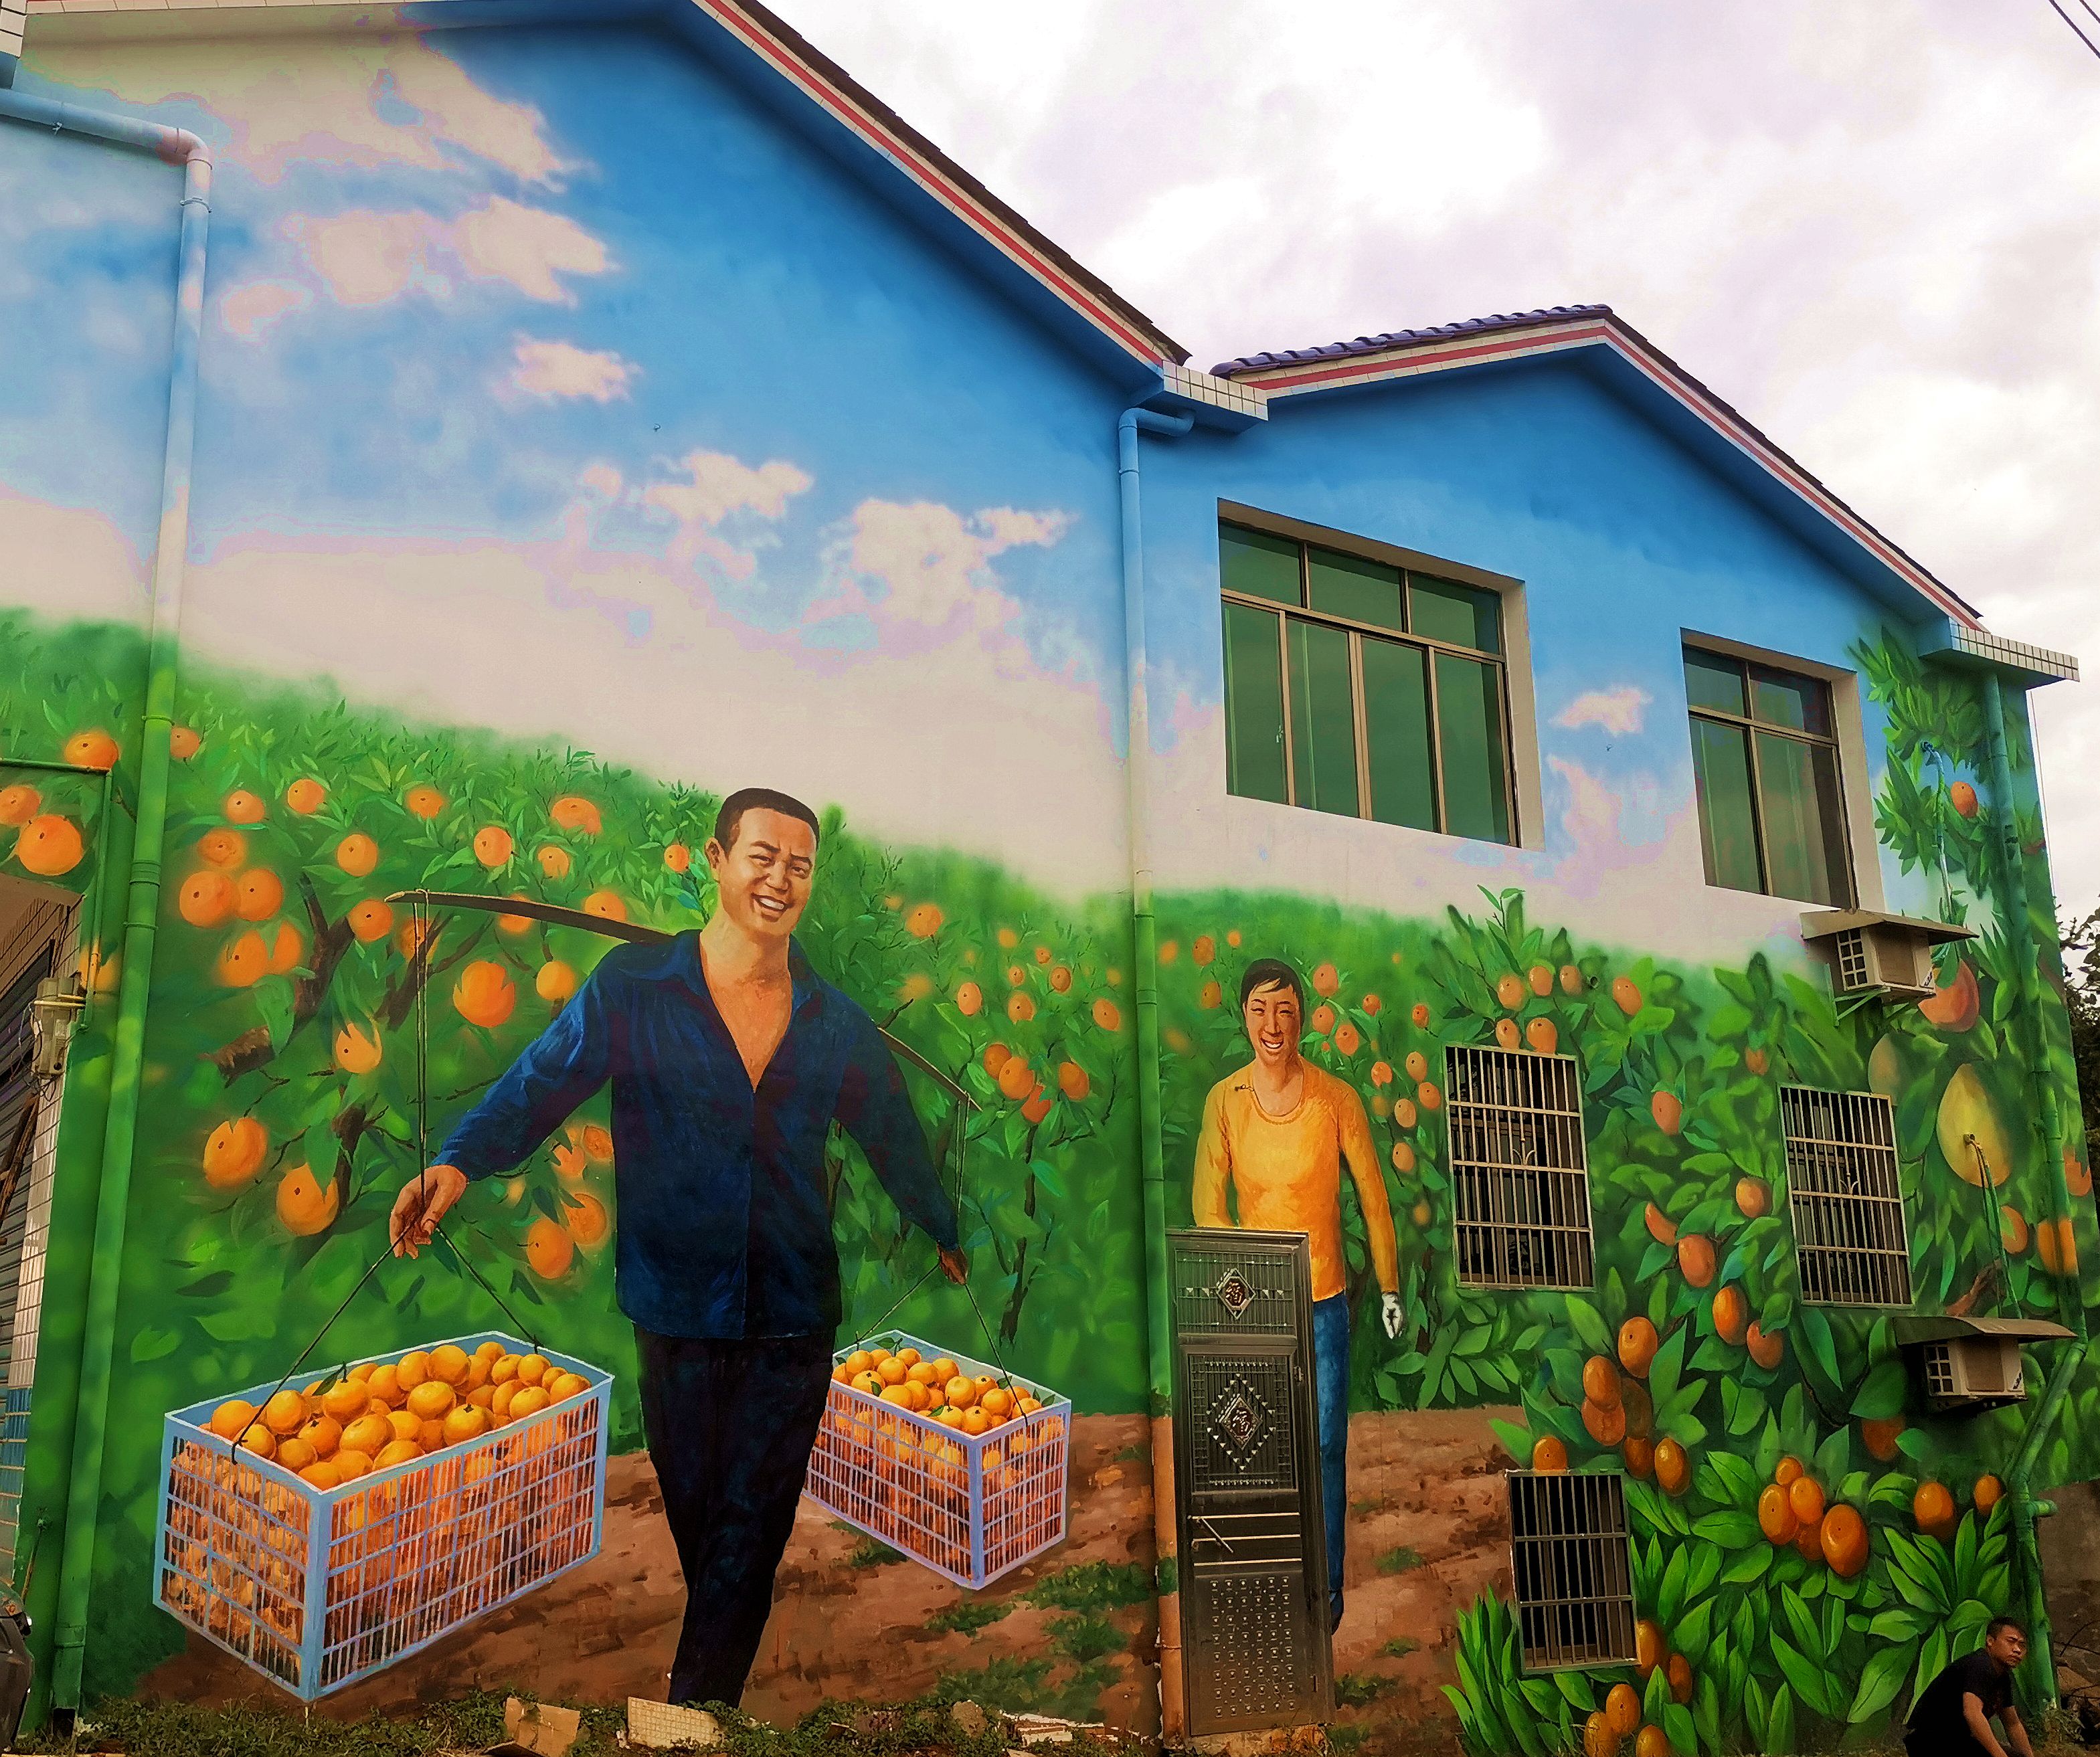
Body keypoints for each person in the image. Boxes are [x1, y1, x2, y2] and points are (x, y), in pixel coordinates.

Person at [388, 786, 966, 1708]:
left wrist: (943, 1226)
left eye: (800, 866)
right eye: (763, 857)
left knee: (751, 1526)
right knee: (706, 1524)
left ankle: (692, 1718)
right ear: (717, 859)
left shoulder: (835, 1023)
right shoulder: (634, 987)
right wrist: (457, 1164)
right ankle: (708, 1708)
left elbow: (893, 1135)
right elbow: (541, 1081)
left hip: (792, 1316)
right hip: (672, 1304)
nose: (780, 880)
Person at [1190, 957, 1402, 1633]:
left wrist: (1390, 1285)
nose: (1272, 1024)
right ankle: (1264, 1577)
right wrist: (1238, 1286)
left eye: (1284, 1009)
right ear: (1244, 1018)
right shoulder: (1225, 1100)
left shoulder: (1335, 1099)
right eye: (1260, 1009)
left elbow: (1373, 1196)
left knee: (1326, 1444)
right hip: (1254, 1308)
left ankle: (1326, 1591)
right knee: (1253, 1444)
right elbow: (1207, 1206)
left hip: (1325, 1305)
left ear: (1302, 1017)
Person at [1905, 1618, 2034, 1757]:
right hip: (1930, 1741)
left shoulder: (2003, 1677)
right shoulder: (1979, 1665)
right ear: (1990, 1641)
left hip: (1958, 1740)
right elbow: (1973, 1714)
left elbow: (2012, 1724)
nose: (2017, 1650)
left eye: (2022, 1645)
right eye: (2011, 1641)